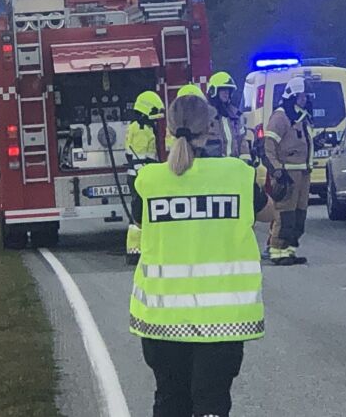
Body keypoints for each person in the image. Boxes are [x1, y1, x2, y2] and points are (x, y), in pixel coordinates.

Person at [131, 93, 272, 417]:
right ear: (210, 128)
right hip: (223, 320)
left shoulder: (149, 181)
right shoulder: (236, 175)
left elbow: (141, 220)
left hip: (161, 318)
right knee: (212, 402)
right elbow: (269, 213)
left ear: (167, 129)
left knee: (170, 400)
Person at [263, 76, 314, 266]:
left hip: (303, 172)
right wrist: (277, 171)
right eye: (302, 96)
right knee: (285, 214)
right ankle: (277, 251)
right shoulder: (281, 117)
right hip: (287, 174)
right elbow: (268, 146)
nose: (305, 99)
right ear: (293, 95)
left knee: (299, 214)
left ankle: (290, 250)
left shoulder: (301, 117)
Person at [124, 90, 165, 265]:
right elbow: (141, 158)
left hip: (140, 176)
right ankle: (136, 251)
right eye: (154, 113)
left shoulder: (141, 127)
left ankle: (140, 249)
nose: (156, 118)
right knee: (140, 215)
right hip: (141, 177)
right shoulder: (140, 130)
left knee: (142, 213)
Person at [205, 71, 252, 163]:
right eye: (223, 90)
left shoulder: (235, 115)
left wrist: (246, 161)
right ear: (213, 91)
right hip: (214, 167)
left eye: (228, 91)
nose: (227, 94)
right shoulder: (205, 116)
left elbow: (242, 141)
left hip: (233, 166)